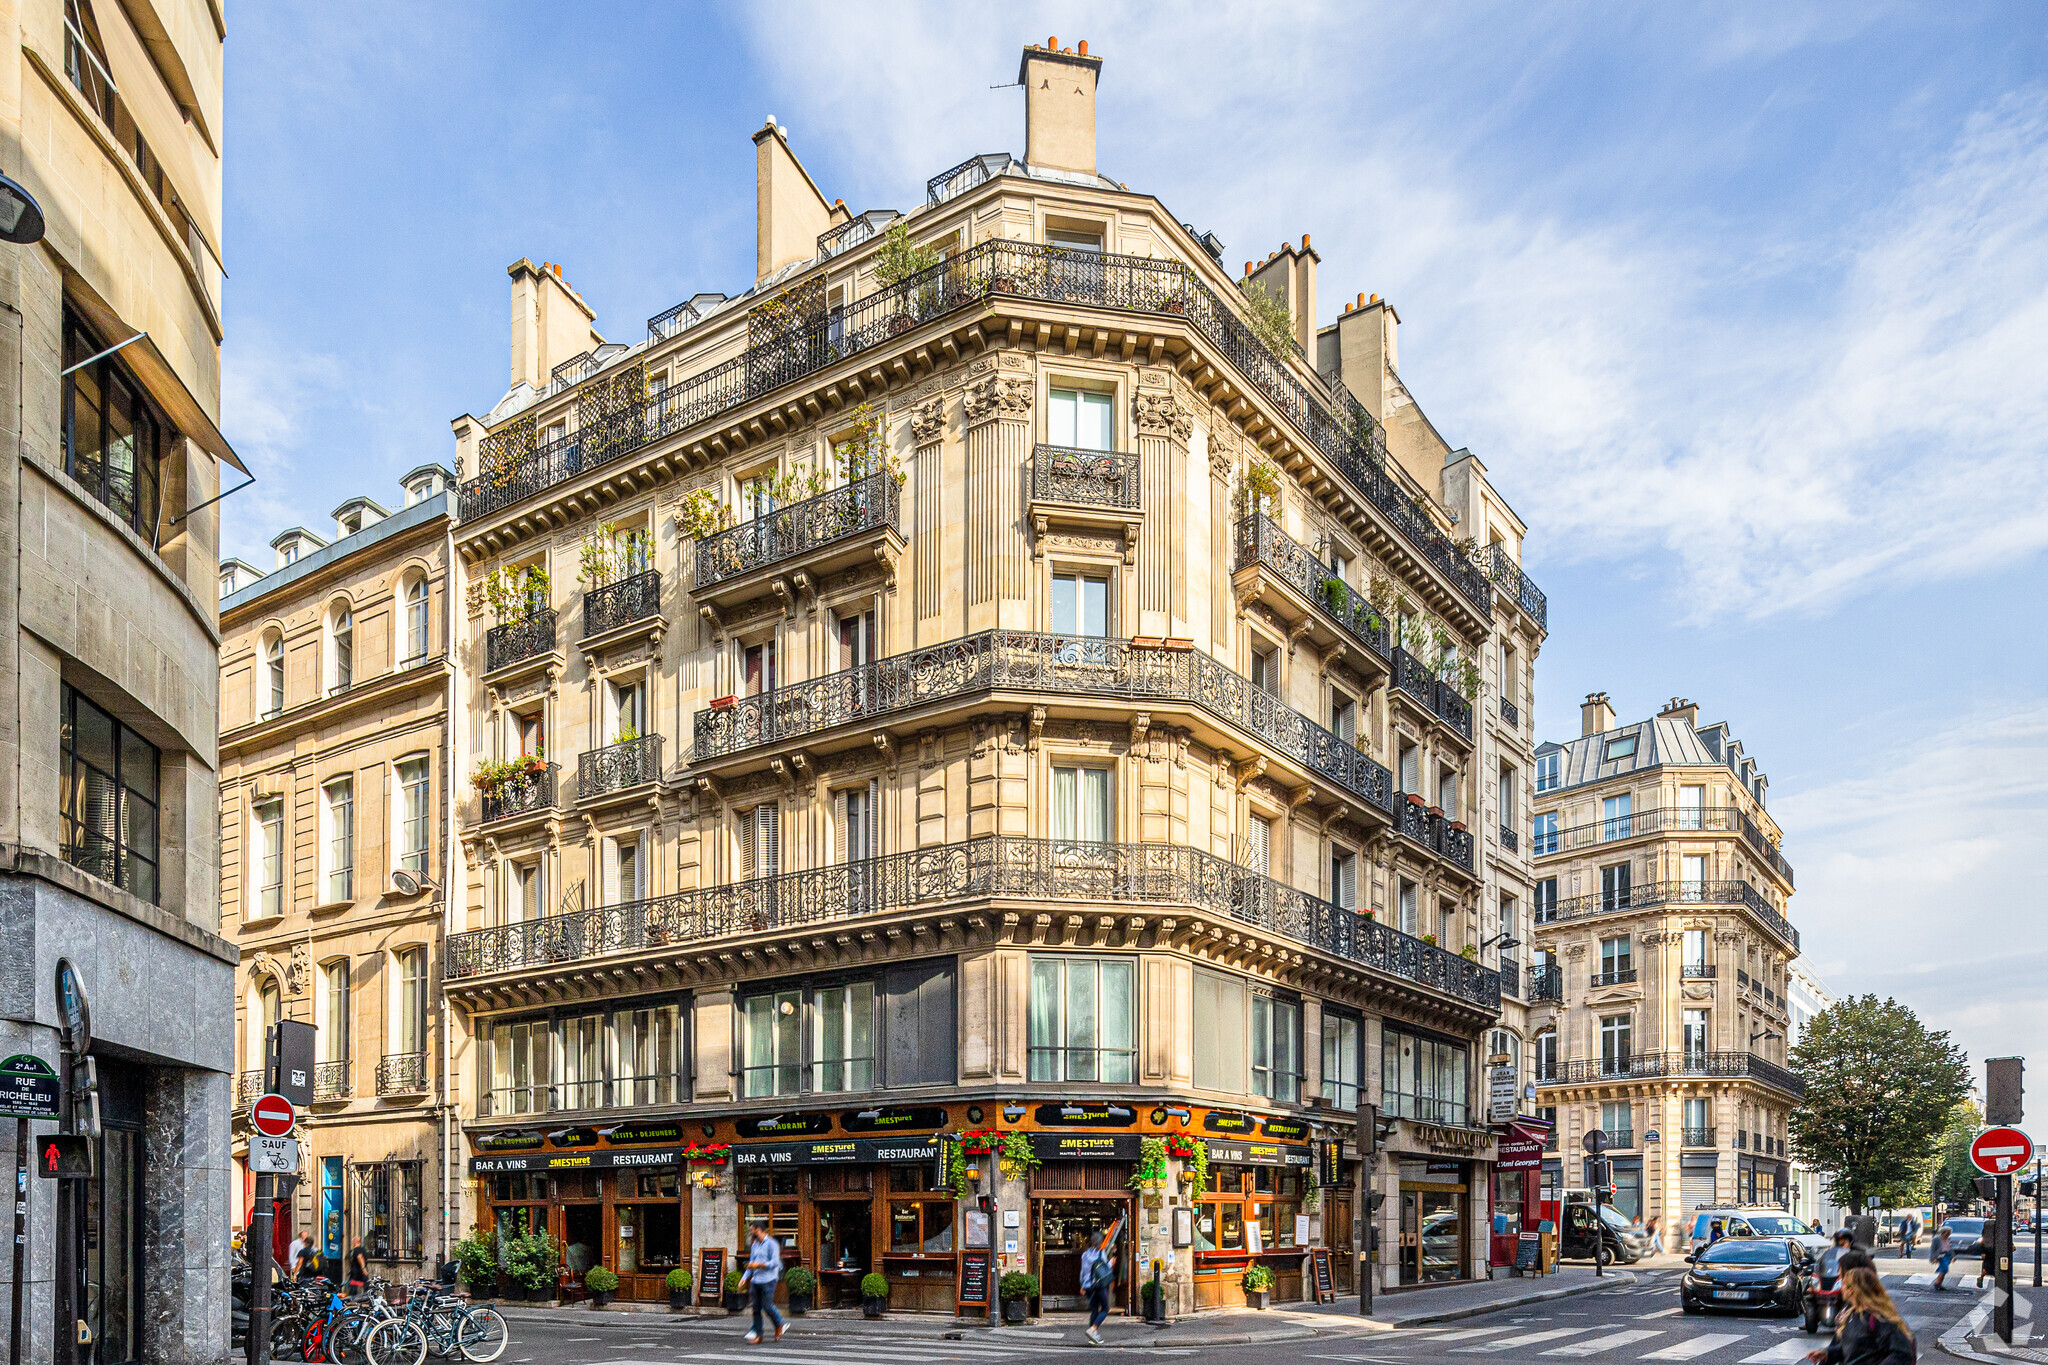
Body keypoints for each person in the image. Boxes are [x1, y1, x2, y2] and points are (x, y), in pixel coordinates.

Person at [1803, 1266, 1915, 1365]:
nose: (1841, 1289)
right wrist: (1827, 1354)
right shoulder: (1851, 1314)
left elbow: (1902, 1354)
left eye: (1844, 1285)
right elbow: (1854, 1349)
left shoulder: (1880, 1318)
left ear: (1852, 1290)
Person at [743, 1219, 787, 1345]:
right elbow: (751, 1263)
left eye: (751, 1230)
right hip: (756, 1281)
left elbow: (775, 1263)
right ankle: (759, 1336)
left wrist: (760, 1265)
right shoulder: (755, 1245)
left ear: (758, 1229)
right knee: (756, 1309)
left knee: (767, 1306)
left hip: (769, 1280)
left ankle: (779, 1324)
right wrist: (744, 1278)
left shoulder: (772, 1244)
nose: (750, 1232)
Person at [1080, 1229, 1116, 1346]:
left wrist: (1082, 1285)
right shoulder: (1101, 1254)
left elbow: (1083, 1271)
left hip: (1088, 1286)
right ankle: (1093, 1329)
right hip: (1099, 1285)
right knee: (1105, 1308)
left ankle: (1092, 1337)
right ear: (1100, 1242)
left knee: (1094, 1309)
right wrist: (1111, 1262)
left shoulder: (1084, 1255)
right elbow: (1105, 1270)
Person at [1931, 1223, 1954, 1291]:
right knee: (1944, 1269)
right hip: (1941, 1255)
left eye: (1949, 1233)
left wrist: (1953, 1256)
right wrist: (1933, 1258)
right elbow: (1933, 1249)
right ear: (1943, 1232)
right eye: (1947, 1233)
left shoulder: (1948, 1239)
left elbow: (1950, 1248)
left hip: (1947, 1255)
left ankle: (1939, 1284)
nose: (1949, 1234)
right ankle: (1937, 1283)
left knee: (1944, 1270)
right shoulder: (1937, 1239)